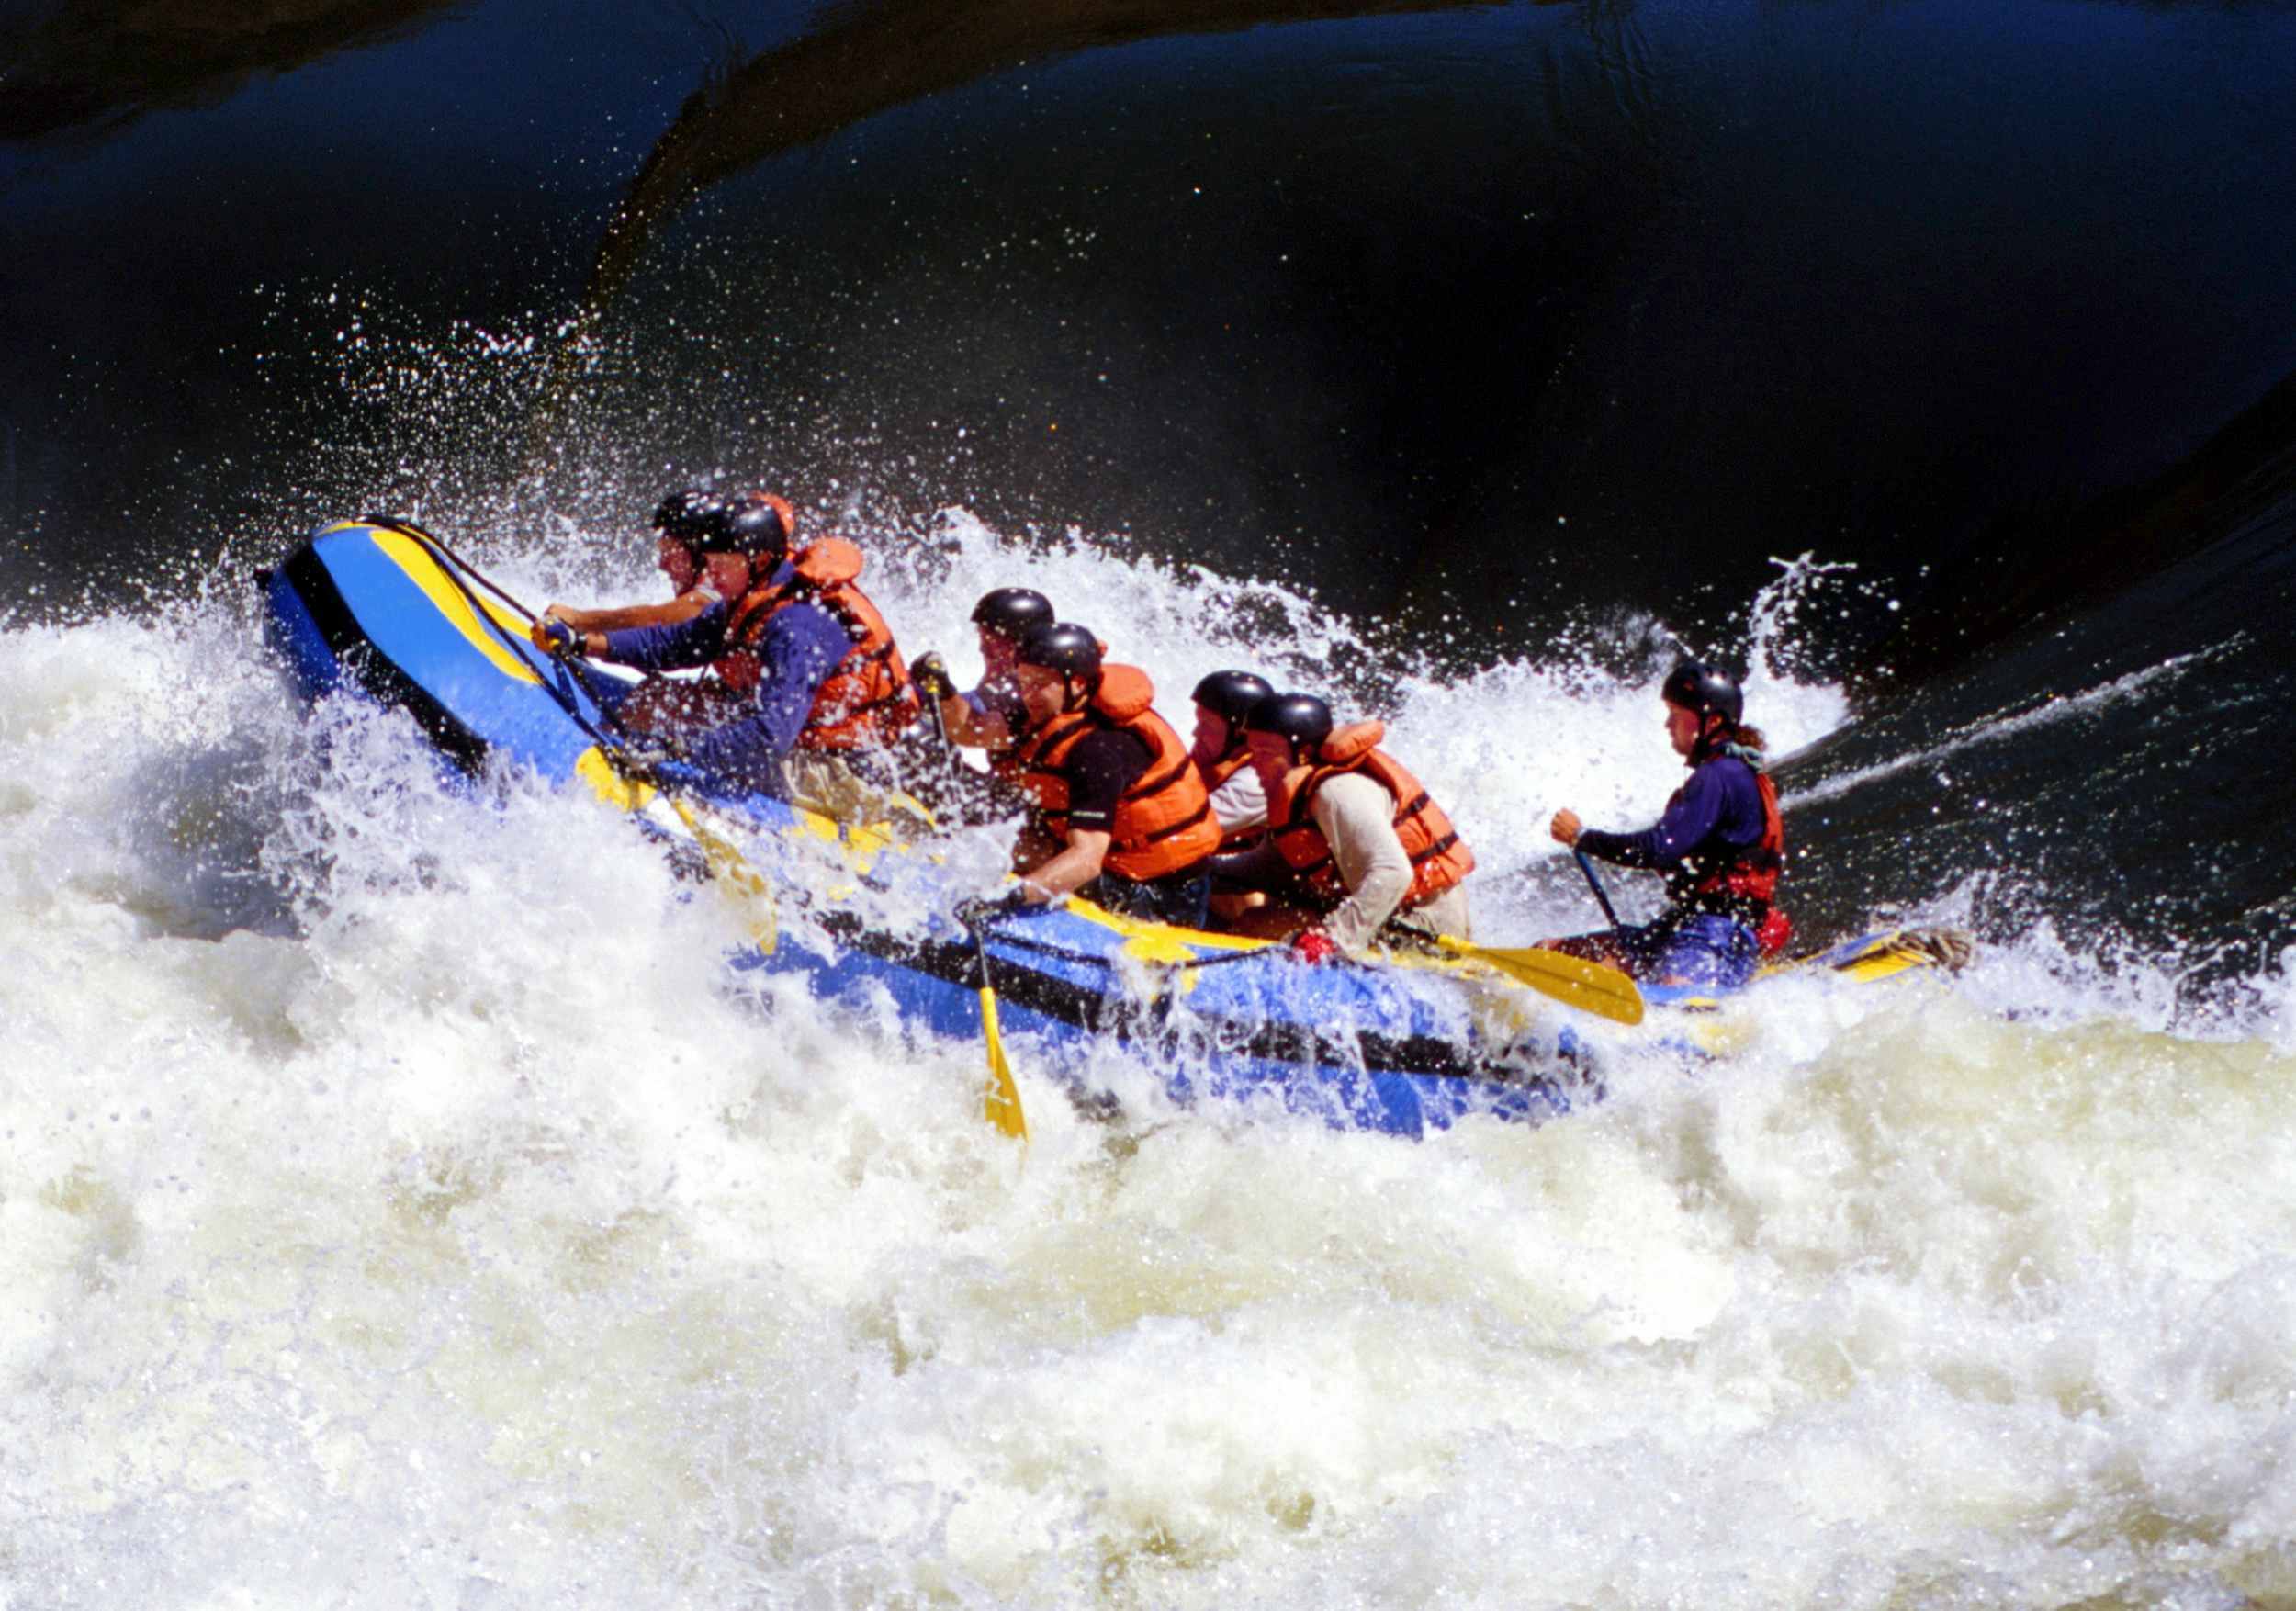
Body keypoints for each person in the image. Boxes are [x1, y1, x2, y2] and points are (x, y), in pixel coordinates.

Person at [533, 485, 924, 820]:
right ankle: (581, 763)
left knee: (683, 733)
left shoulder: (795, 628)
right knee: (657, 700)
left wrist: (683, 747)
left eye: (723, 564)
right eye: (711, 562)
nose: (713, 574)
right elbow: (673, 645)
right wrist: (584, 643)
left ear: (759, 561)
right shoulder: (750, 595)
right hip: (797, 737)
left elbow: (772, 736)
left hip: (847, 772)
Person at [1546, 659, 1788, 990]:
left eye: (1676, 714)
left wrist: (1582, 837)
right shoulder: (1731, 771)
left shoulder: (1719, 776)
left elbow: (1656, 849)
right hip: (1686, 925)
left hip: (1715, 934)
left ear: (1711, 721)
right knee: (1552, 953)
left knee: (1675, 991)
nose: (1667, 724)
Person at [988, 621, 1221, 926]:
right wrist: (945, 693)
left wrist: (1012, 897)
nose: (1027, 694)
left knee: (1018, 854)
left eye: (1039, 683)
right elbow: (970, 731)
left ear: (1079, 684)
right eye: (1023, 681)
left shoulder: (1099, 749)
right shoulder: (1051, 712)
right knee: (1003, 836)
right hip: (1117, 864)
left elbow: (1086, 861)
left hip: (1159, 892)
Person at [1210, 693, 1475, 958]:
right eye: (1251, 752)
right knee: (1244, 910)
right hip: (1379, 914)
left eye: (1265, 753)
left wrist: (1332, 938)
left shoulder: (1336, 792)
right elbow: (1268, 870)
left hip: (1422, 926)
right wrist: (1201, 871)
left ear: (1303, 754)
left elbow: (1393, 873)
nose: (1253, 764)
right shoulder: (1295, 796)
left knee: (1257, 924)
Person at [1188, 669, 1275, 844]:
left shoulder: (1254, 784)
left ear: (1241, 735)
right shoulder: (1221, 758)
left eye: (1208, 726)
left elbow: (1177, 828)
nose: (1195, 733)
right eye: (1198, 722)